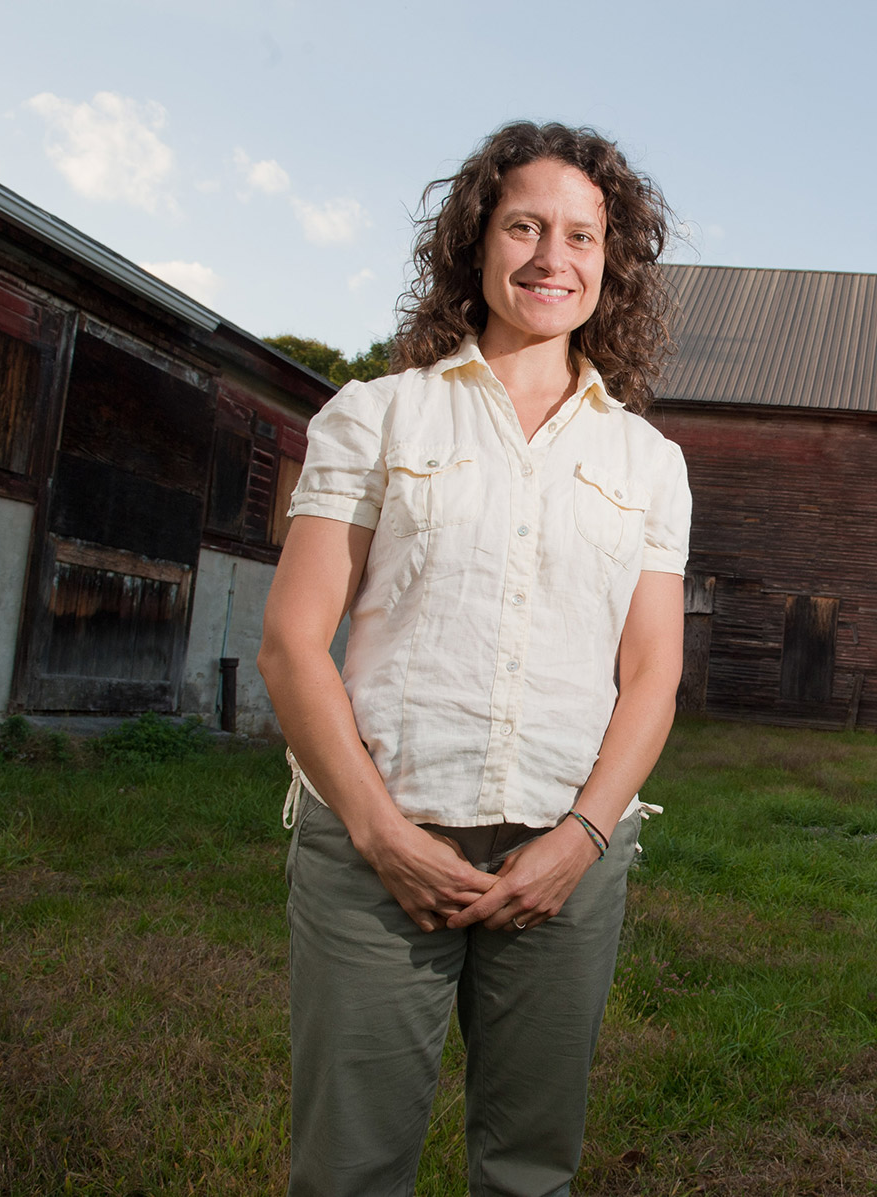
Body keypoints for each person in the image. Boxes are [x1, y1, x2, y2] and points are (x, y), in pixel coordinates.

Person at [257, 120, 690, 1197]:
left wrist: (580, 842)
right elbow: (290, 644)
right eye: (525, 227)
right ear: (475, 243)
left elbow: (652, 677)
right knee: (349, 1170)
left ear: (611, 262)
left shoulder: (648, 461)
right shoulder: (374, 415)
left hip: (565, 858)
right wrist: (379, 833)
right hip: (378, 847)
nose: (554, 258)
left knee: (529, 1171)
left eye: (583, 236)